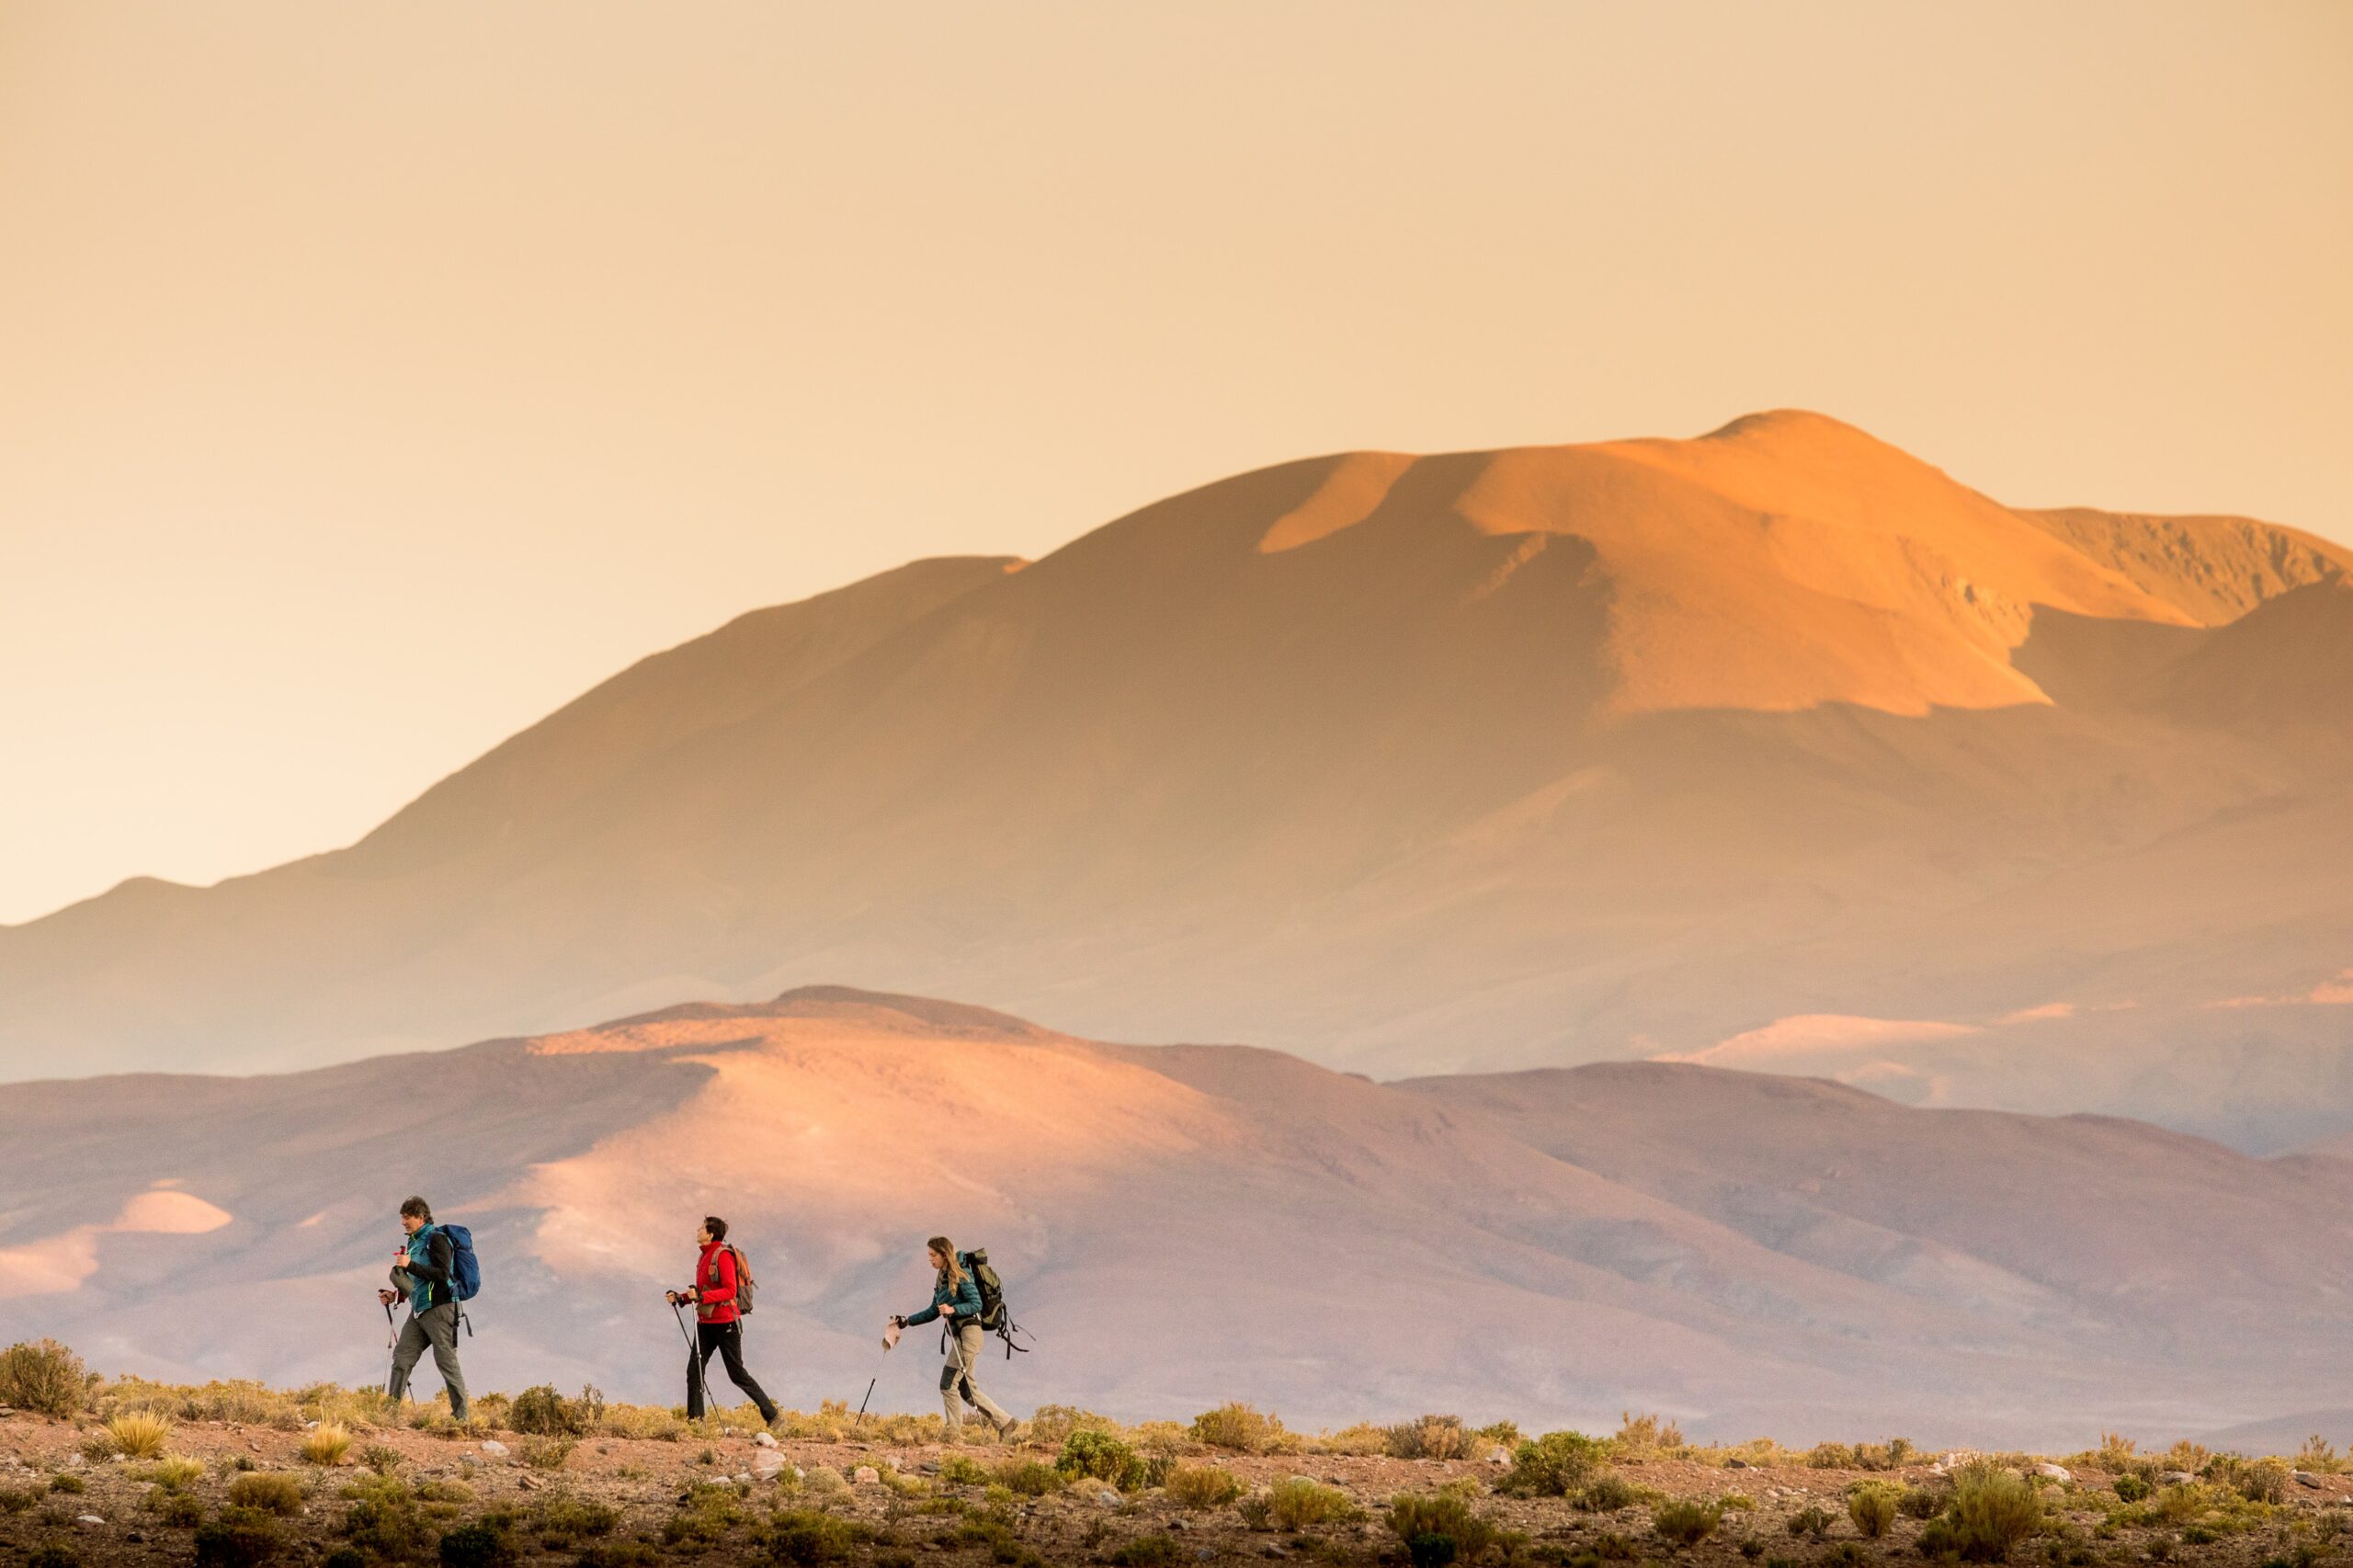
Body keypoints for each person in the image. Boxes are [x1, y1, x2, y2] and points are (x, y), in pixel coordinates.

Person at [890, 1235, 1022, 1442]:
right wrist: (907, 1321)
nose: (930, 1259)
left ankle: (953, 1434)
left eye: (933, 1255)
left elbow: (976, 1304)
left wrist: (953, 1309)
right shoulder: (941, 1278)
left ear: (944, 1254)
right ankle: (1006, 1423)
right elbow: (933, 1311)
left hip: (969, 1335)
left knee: (947, 1383)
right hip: (960, 1337)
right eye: (929, 1255)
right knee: (966, 1389)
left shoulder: (961, 1274)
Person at [667, 1216, 779, 1425]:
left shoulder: (722, 1256)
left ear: (710, 1234)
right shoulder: (703, 1257)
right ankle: (695, 1421)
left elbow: (730, 1290)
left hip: (726, 1323)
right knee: (694, 1371)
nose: (698, 1230)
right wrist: (681, 1298)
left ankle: (772, 1415)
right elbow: (704, 1290)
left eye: (701, 1228)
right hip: (706, 1324)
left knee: (736, 1373)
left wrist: (701, 1297)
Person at [381, 1196, 468, 1421]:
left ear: (420, 1217)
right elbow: (416, 1282)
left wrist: (410, 1265)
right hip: (418, 1310)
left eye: (407, 1217)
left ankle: (461, 1418)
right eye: (402, 1217)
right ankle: (391, 1414)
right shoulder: (414, 1242)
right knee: (401, 1358)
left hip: (440, 1308)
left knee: (446, 1361)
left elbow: (442, 1274)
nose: (403, 1222)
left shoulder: (436, 1239)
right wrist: (395, 1297)